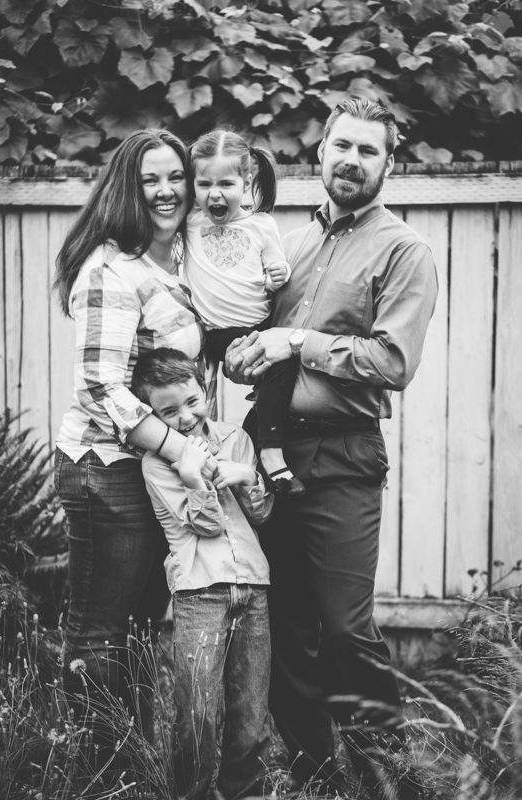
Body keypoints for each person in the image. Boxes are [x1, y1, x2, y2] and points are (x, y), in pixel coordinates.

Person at [226, 99, 439, 800]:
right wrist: (244, 354)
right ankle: (321, 778)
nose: (350, 160)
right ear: (319, 155)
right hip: (271, 453)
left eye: (366, 151)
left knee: (345, 630)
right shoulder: (285, 246)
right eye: (340, 146)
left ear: (387, 164)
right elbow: (256, 340)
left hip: (344, 458)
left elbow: (392, 363)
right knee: (287, 629)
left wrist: (299, 343)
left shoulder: (403, 250)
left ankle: (393, 776)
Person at [52, 129, 216, 785]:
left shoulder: (169, 269)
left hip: (147, 473)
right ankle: (89, 776)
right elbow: (98, 387)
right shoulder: (110, 269)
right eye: (151, 178)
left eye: (176, 175)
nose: (168, 189)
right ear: (127, 186)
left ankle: (131, 770)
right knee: (100, 637)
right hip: (108, 472)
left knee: (140, 631)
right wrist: (180, 447)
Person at [131, 347, 273, 800]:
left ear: (205, 389)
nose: (185, 417)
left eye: (192, 401)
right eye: (167, 411)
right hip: (200, 593)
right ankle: (191, 793)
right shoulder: (157, 463)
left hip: (253, 586)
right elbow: (204, 525)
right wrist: (194, 479)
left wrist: (248, 476)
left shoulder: (236, 438)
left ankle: (243, 791)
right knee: (197, 712)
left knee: (250, 709)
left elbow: (263, 514)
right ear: (151, 414)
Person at [183, 129, 304, 498]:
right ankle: (209, 453)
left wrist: (278, 273)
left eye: (226, 183)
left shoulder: (262, 224)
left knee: (284, 365)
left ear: (247, 181)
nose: (214, 193)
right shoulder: (188, 223)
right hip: (218, 331)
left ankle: (270, 453)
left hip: (261, 324)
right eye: (203, 184)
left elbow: (275, 270)